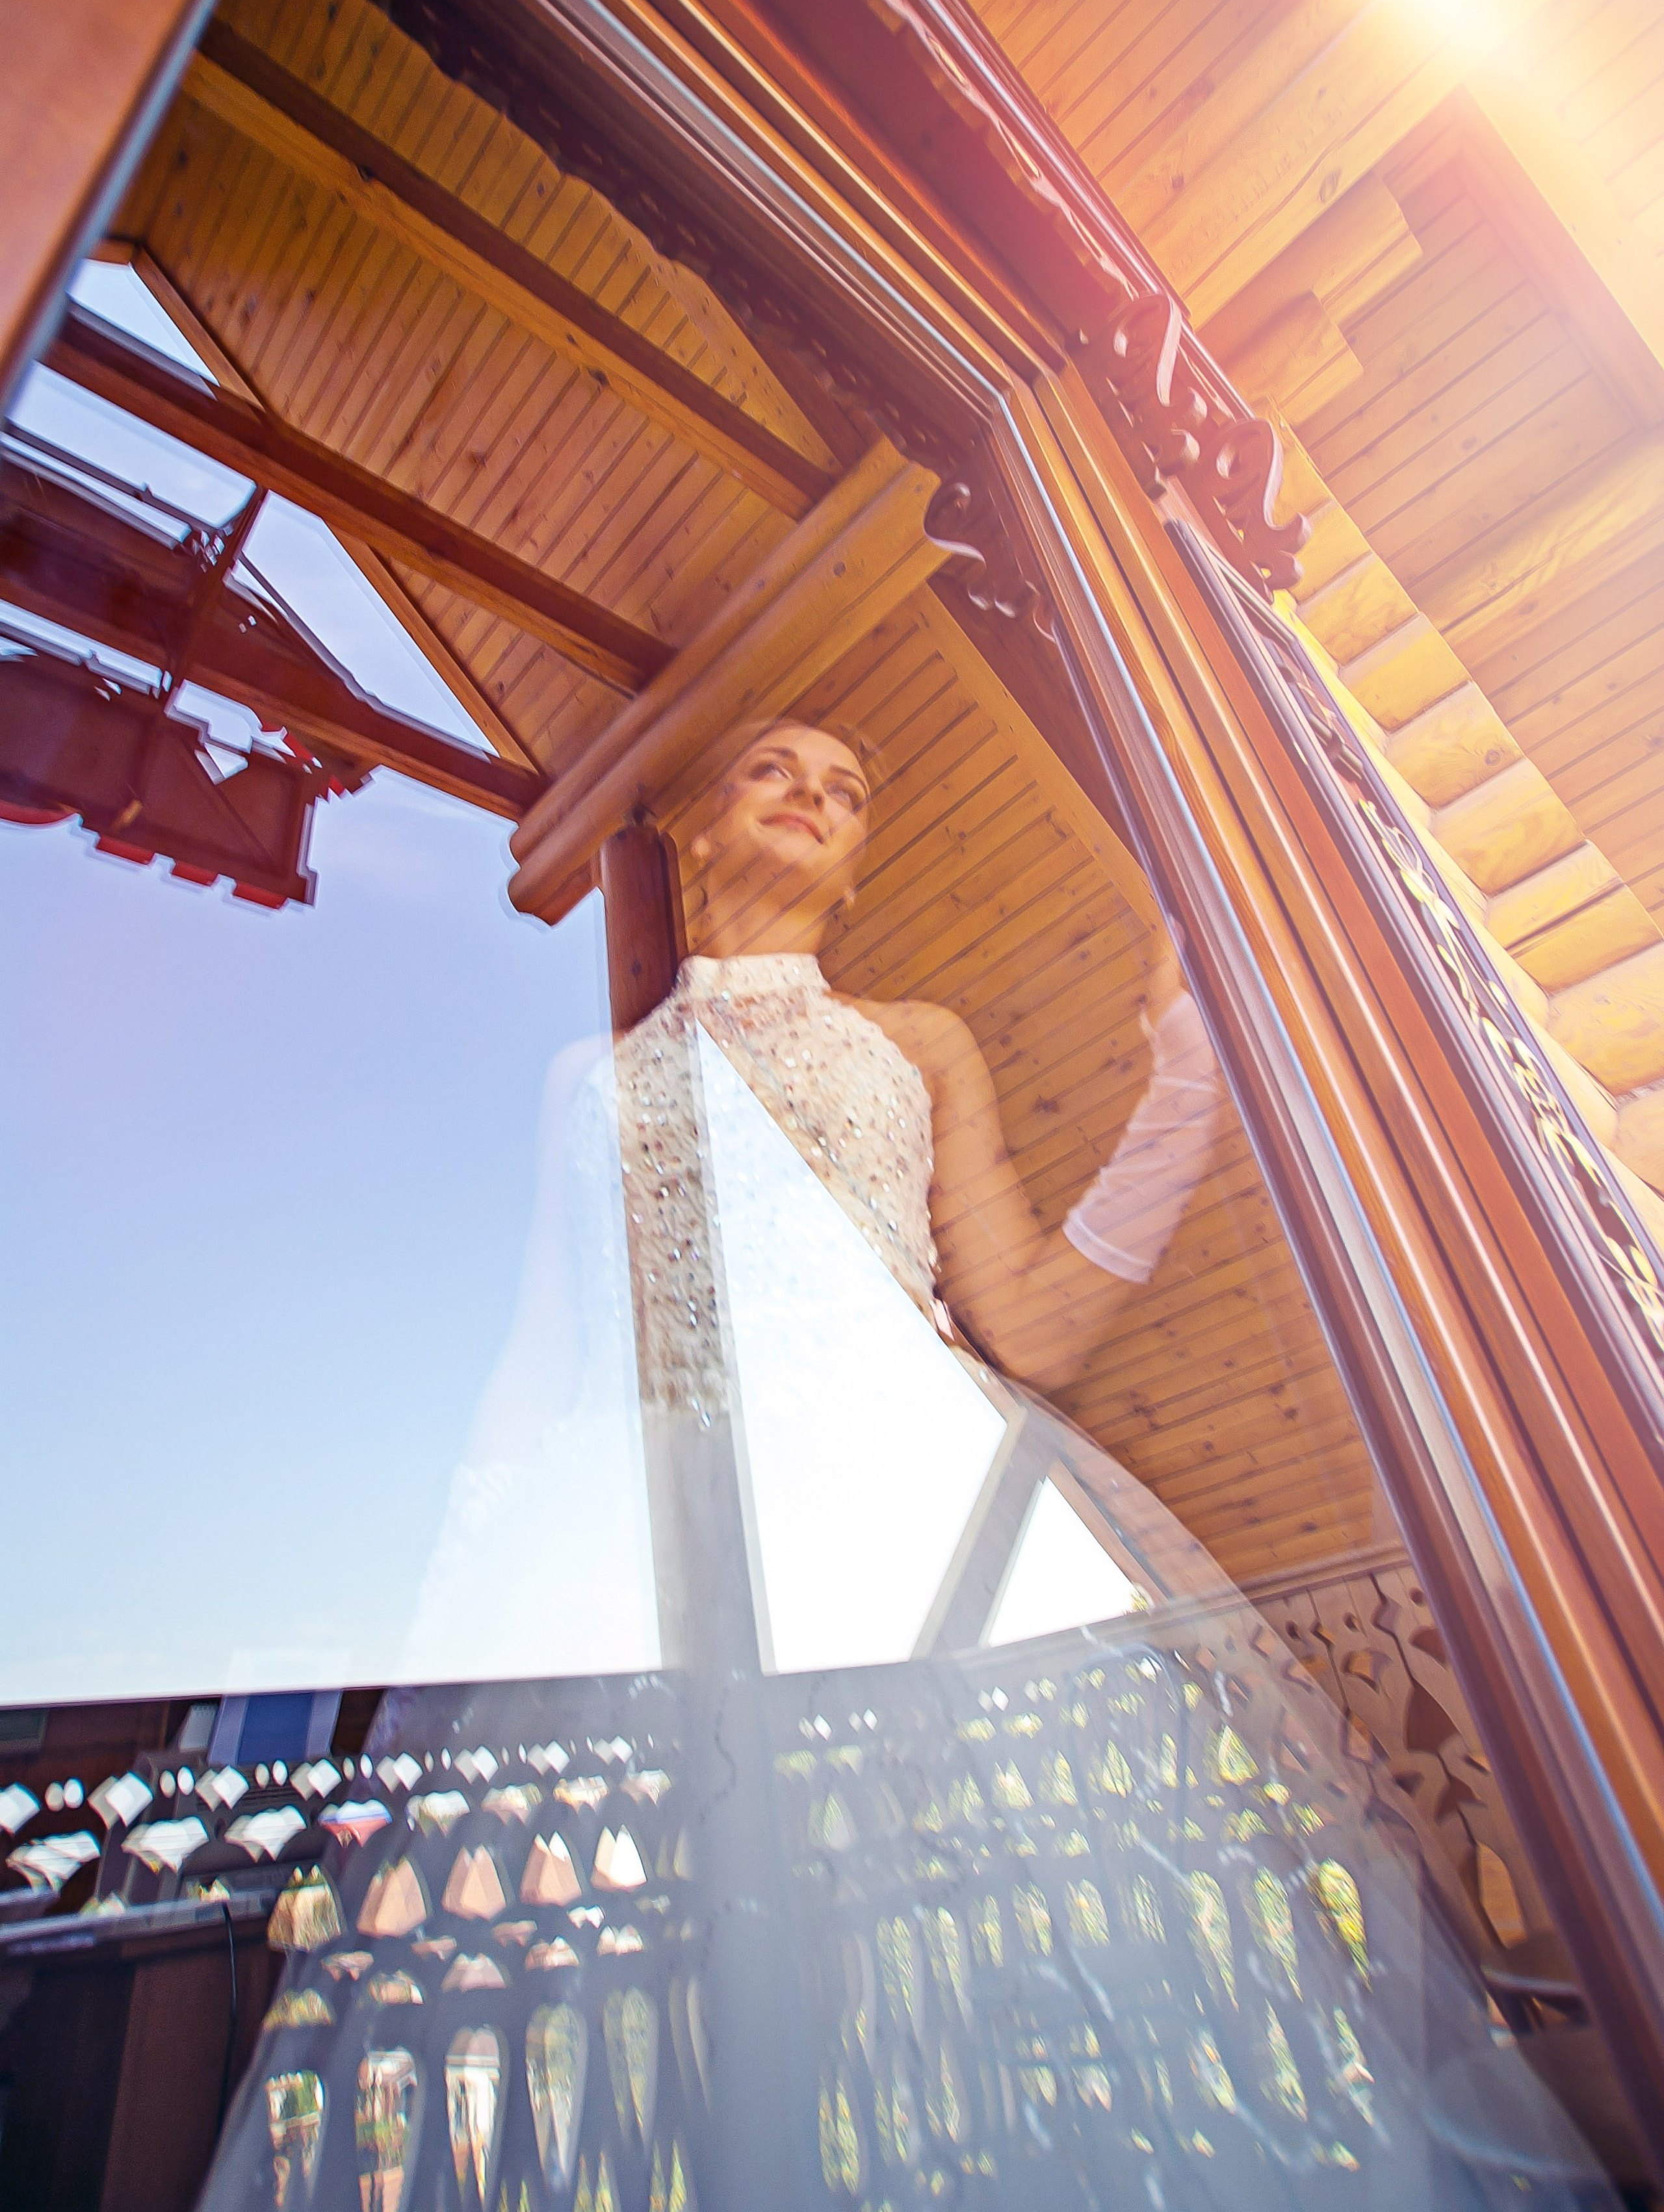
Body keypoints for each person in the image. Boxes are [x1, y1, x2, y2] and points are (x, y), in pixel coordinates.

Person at [202, 721, 1615, 2211]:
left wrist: (1182, 1097)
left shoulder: (916, 1041)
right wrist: (447, 1615)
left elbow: (1034, 1324)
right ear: (702, 830)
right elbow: (536, 1352)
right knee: (666, 1992)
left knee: (963, 1949)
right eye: (775, 769)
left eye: (847, 787)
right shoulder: (584, 1074)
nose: (813, 794)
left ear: (858, 867)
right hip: (637, 1538)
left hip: (898, 1516)